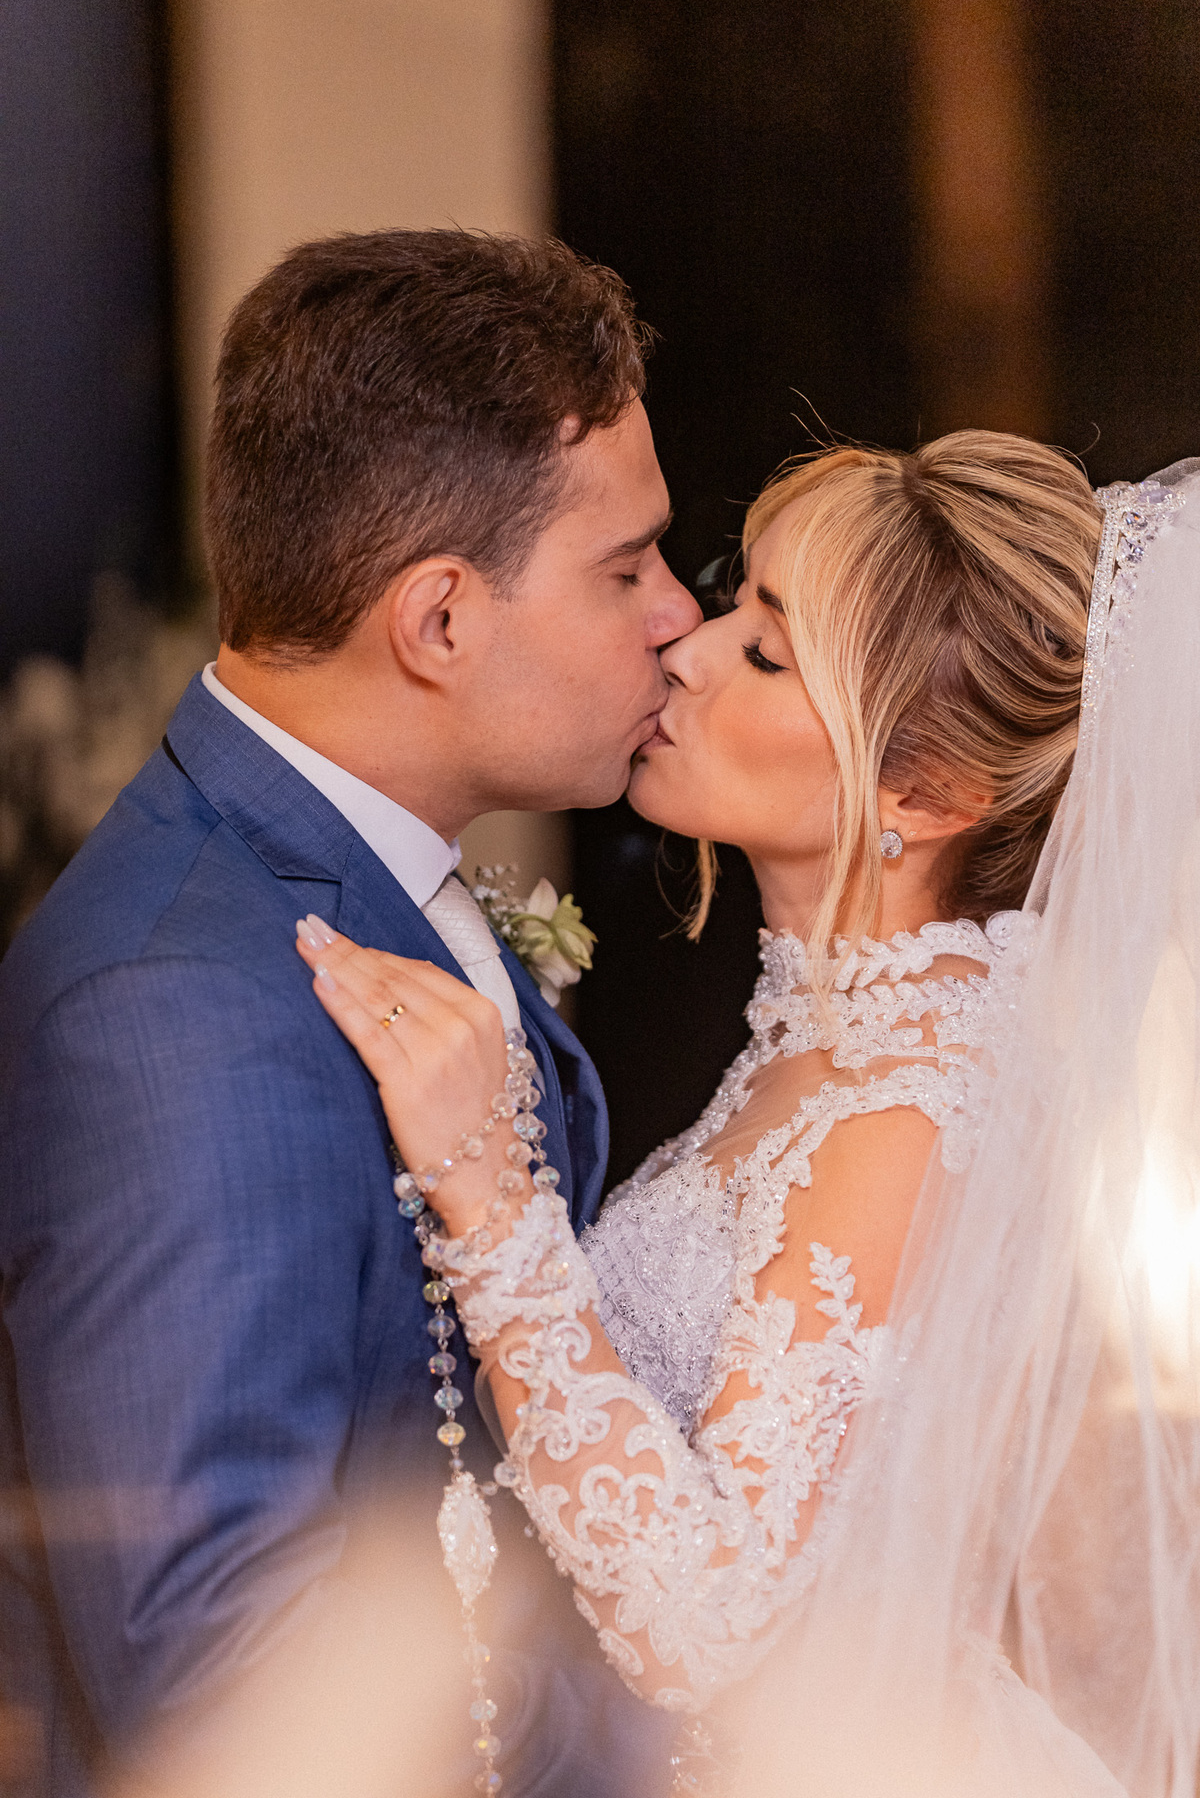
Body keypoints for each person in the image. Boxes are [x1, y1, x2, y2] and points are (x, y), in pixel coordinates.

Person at [298, 432, 1200, 1795]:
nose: (688, 649)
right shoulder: (845, 1043)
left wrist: (491, 1202)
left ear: (926, 794)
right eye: (734, 598)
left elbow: (714, 1625)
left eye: (768, 656)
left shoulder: (912, 1108)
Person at [0, 229, 699, 1798]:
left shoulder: (361, 884)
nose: (677, 616)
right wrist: (693, 1729)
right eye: (626, 565)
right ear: (439, 620)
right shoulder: (170, 1010)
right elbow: (225, 1674)